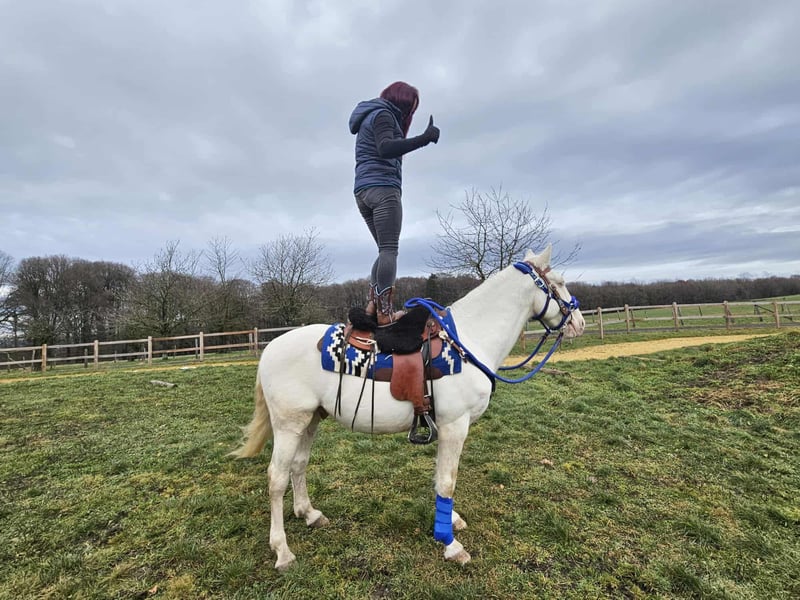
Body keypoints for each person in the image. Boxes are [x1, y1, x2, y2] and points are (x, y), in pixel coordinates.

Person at [349, 81, 440, 327]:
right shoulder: (384, 115)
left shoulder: (370, 115)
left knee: (384, 250)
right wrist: (424, 138)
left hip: (363, 192)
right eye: (411, 107)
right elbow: (386, 148)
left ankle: (372, 306)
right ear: (402, 102)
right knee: (390, 250)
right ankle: (384, 313)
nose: (410, 113)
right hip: (383, 189)